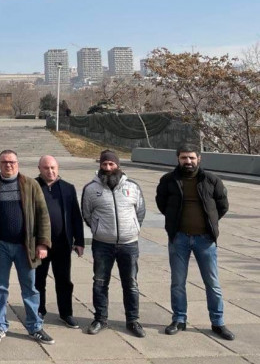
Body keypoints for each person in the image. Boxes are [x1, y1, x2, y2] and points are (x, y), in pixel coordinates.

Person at [155, 143, 234, 340]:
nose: (188, 161)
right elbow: (162, 203)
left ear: (199, 158)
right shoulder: (168, 180)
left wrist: (208, 224)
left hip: (205, 240)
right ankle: (179, 319)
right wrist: (174, 223)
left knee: (212, 283)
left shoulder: (211, 180)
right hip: (179, 238)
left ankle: (218, 322)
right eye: (184, 157)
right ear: (178, 159)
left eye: (191, 157)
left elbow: (222, 206)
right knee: (178, 282)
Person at [0, 150, 54, 345]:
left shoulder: (30, 184)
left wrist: (43, 243)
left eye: (12, 162)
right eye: (4, 162)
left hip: (26, 246)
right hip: (0, 246)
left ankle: (35, 326)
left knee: (30, 288)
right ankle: (0, 325)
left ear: (18, 163)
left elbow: (43, 214)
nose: (8, 165)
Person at [81, 150, 146, 337]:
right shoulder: (91, 189)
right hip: (103, 244)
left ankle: (132, 320)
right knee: (100, 282)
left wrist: (132, 228)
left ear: (118, 165)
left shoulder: (133, 186)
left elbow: (140, 212)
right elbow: (87, 213)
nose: (108, 168)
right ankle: (100, 319)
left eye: (111, 164)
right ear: (100, 166)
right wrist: (98, 229)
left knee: (131, 283)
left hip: (129, 244)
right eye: (104, 164)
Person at [34, 155, 84, 329]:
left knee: (64, 280)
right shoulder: (32, 186)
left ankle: (66, 313)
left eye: (53, 167)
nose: (50, 171)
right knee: (38, 280)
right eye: (46, 168)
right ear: (39, 169)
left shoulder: (68, 188)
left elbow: (76, 216)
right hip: (39, 244)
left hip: (62, 244)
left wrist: (79, 241)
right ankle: (39, 310)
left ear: (58, 168)